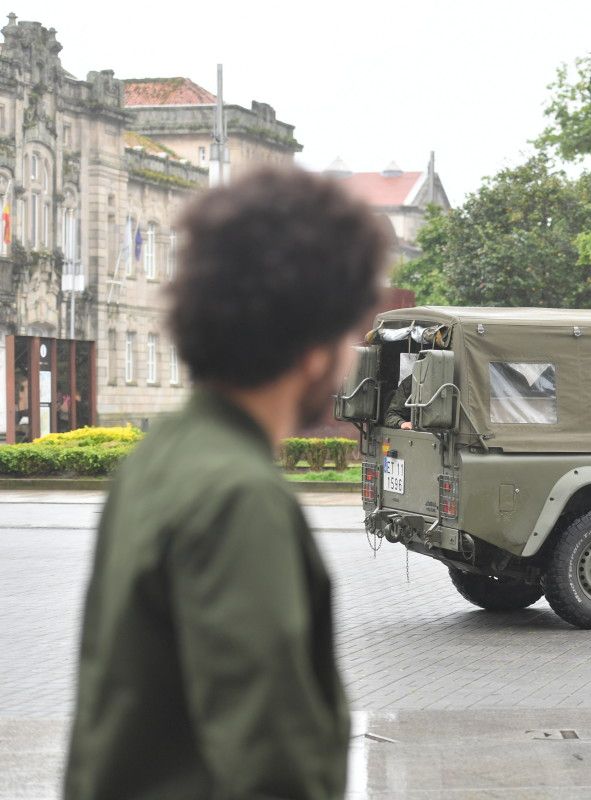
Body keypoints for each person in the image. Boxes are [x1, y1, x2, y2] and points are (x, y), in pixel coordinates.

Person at [64, 167, 390, 799]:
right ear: (313, 348)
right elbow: (273, 764)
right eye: (351, 333)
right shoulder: (239, 498)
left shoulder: (155, 461)